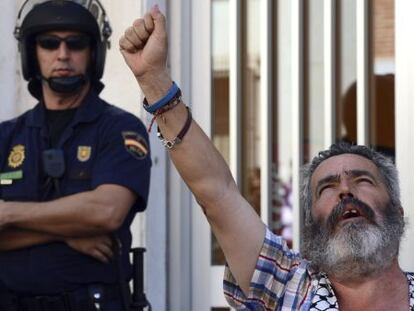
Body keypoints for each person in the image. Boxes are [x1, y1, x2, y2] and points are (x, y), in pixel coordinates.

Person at [119, 6, 414, 311]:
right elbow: (217, 193)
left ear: (397, 209)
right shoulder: (288, 287)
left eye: (362, 180)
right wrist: (155, 82)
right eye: (326, 187)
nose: (345, 191)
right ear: (311, 224)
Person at [0, 1, 151, 310]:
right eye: (49, 43)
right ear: (32, 54)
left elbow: (106, 212)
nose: (63, 54)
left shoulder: (120, 129)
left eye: (76, 43)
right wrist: (68, 233)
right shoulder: (6, 137)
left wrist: (7, 213)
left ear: (93, 53)